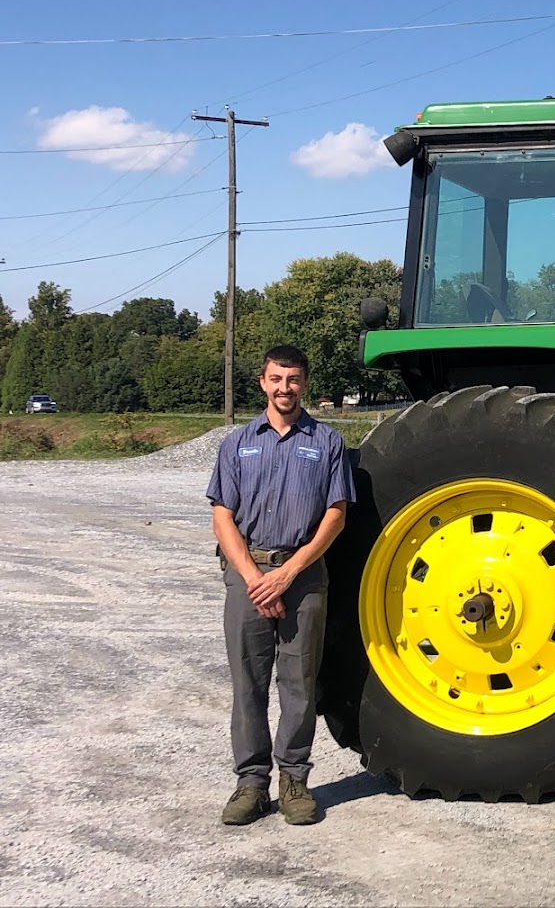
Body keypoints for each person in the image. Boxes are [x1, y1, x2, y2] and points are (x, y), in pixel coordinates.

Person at [206, 345, 355, 826]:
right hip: (248, 577)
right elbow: (222, 516)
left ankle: (294, 780)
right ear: (262, 382)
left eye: (292, 379)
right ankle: (250, 783)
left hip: (303, 577)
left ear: (304, 384)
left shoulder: (327, 443)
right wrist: (253, 578)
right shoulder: (237, 443)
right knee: (248, 684)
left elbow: (336, 515)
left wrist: (289, 574)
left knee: (299, 684)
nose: (284, 388)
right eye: (276, 379)